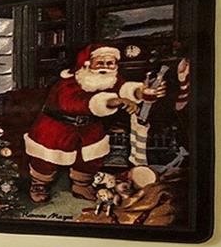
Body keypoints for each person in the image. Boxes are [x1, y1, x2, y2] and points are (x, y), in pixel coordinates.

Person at [23, 44, 165, 203]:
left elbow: (124, 88)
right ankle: (39, 184)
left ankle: (82, 185)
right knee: (46, 160)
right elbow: (72, 104)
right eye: (100, 63)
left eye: (110, 63)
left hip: (89, 126)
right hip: (57, 127)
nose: (106, 67)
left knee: (91, 159)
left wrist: (143, 92)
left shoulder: (111, 79)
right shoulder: (69, 81)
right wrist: (115, 101)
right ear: (87, 64)